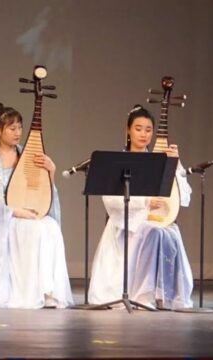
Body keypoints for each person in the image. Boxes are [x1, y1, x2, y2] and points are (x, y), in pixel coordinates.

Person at [87, 104, 194, 310]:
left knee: (170, 233)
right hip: (127, 225)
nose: (143, 134)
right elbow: (110, 200)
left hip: (154, 221)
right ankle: (143, 294)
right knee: (152, 231)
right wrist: (145, 203)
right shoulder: (119, 160)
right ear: (128, 130)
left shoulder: (159, 160)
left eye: (148, 130)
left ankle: (165, 295)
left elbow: (183, 198)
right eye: (138, 128)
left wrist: (175, 164)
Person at [0, 102, 73, 309]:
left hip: (28, 212)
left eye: (20, 128)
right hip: (6, 219)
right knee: (34, 229)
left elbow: (42, 190)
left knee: (50, 227)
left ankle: (48, 291)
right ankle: (28, 291)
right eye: (12, 128)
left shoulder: (27, 155)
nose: (18, 133)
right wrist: (14, 211)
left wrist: (51, 170)